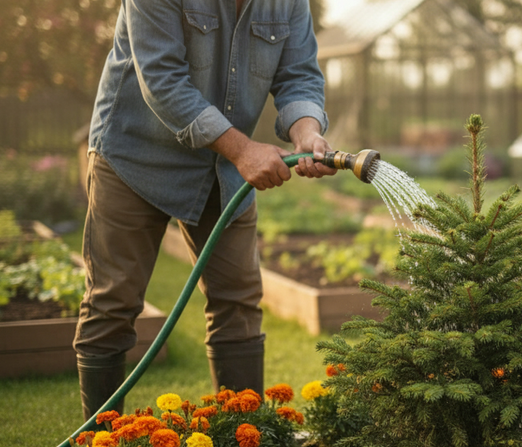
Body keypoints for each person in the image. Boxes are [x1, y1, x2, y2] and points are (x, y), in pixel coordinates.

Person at [75, 0, 335, 420]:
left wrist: (307, 131)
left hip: (223, 168)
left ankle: (242, 446)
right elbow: (162, 80)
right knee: (113, 303)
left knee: (238, 302)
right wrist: (244, 150)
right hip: (135, 157)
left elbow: (299, 75)